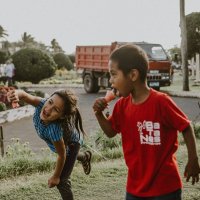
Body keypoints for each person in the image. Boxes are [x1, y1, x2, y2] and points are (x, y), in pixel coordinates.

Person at [93, 44, 200, 200]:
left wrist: (193, 160)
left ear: (133, 75)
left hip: (165, 187)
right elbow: (110, 132)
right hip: (135, 188)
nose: (111, 81)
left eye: (114, 74)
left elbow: (186, 127)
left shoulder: (161, 102)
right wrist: (98, 114)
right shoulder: (122, 106)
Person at [8, 88, 92, 200]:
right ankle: (85, 156)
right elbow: (24, 95)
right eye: (50, 102)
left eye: (56, 110)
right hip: (64, 145)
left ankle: (83, 156)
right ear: (48, 99)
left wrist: (56, 176)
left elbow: (62, 155)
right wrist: (16, 94)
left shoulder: (54, 130)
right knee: (69, 155)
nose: (48, 109)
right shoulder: (41, 103)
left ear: (62, 116)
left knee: (62, 182)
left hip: (72, 144)